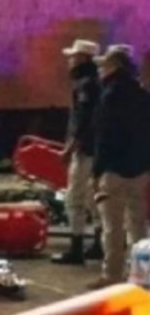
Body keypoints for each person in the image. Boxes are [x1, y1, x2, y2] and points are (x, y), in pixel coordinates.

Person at [88, 46, 150, 290]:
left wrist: (96, 171)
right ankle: (142, 275)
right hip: (140, 169)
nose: (100, 70)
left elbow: (104, 137)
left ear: (114, 67)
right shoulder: (144, 94)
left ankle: (112, 274)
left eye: (104, 65)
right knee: (138, 224)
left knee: (112, 226)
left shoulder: (109, 95)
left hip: (113, 169)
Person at [53, 39, 103, 265]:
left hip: (84, 150)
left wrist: (70, 147)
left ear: (83, 58)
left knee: (75, 197)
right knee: (94, 196)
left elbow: (83, 120)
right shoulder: (98, 82)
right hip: (97, 149)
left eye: (73, 57)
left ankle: (76, 248)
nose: (70, 61)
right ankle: (99, 244)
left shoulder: (85, 85)